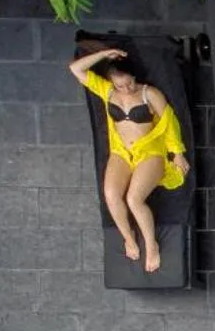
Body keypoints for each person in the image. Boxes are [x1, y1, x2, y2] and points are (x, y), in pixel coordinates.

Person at [67, 46, 190, 273]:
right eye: (119, 85)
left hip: (149, 152)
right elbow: (76, 68)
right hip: (122, 152)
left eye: (128, 83)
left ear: (135, 76)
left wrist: (177, 153)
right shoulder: (108, 91)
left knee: (134, 199)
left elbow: (169, 124)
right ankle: (129, 237)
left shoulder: (149, 93)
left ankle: (151, 244)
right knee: (111, 195)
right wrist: (104, 55)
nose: (125, 89)